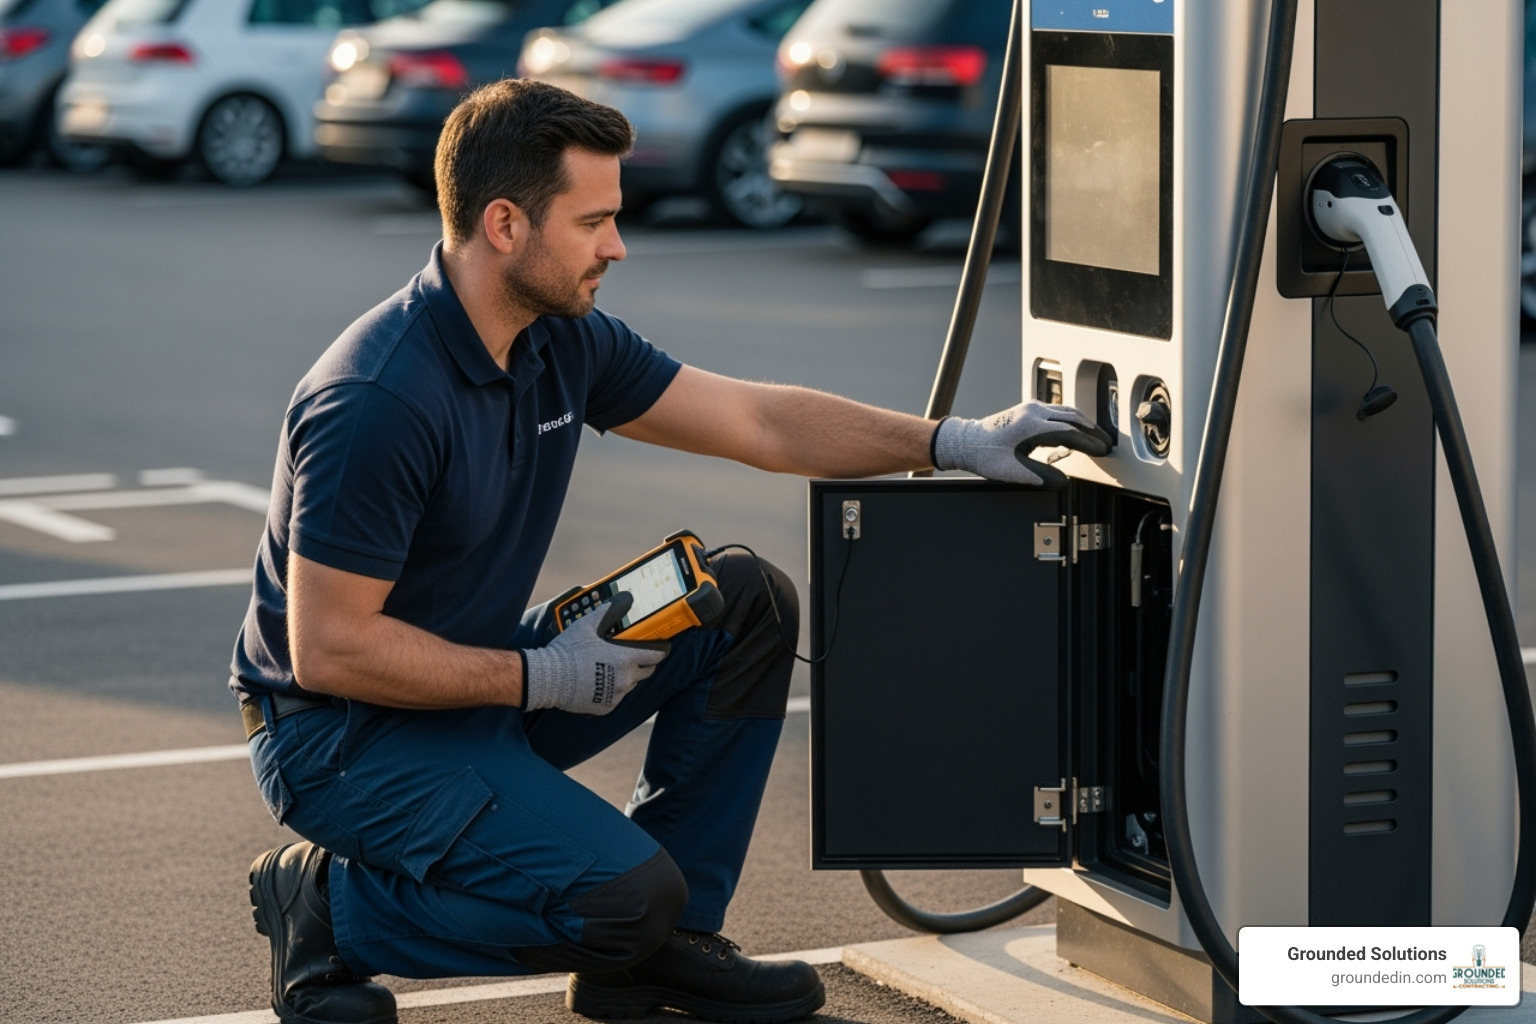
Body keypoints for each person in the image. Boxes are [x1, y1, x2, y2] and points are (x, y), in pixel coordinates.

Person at [231, 78, 1110, 1024]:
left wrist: (949, 441)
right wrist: (544, 677)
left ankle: (664, 953)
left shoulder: (558, 339)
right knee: (619, 901)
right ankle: (328, 909)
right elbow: (333, 651)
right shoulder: (378, 401)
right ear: (503, 225)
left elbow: (757, 420)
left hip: (476, 678)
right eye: (595, 221)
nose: (617, 246)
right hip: (340, 737)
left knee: (739, 600)